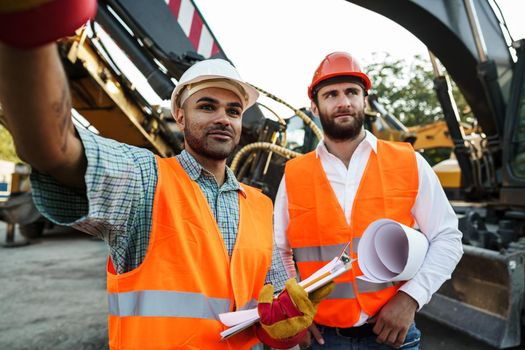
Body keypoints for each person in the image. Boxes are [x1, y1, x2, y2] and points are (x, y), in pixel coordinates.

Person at [0, 1, 330, 349]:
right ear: (180, 115)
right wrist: (29, 27)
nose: (223, 118)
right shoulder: (146, 181)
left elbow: (270, 320)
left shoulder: (261, 207)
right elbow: (53, 149)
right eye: (207, 106)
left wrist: (288, 324)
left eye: (233, 110)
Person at [274, 52, 464, 349]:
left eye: (352, 92)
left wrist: (410, 298)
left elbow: (447, 238)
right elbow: (279, 250)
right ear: (314, 105)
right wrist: (297, 310)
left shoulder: (408, 162)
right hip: (324, 339)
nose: (343, 102)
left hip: (393, 335)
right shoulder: (294, 174)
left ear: (365, 100)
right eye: (331, 94)